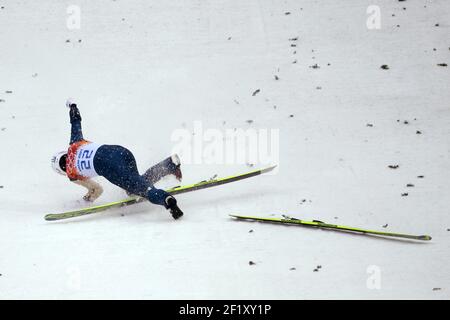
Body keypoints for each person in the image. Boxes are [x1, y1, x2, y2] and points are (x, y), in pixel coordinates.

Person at [51, 99, 183, 219]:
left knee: (141, 190)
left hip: (111, 167)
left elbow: (96, 190)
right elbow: (76, 121)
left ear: (60, 171)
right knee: (136, 184)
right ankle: (168, 165)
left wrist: (85, 201)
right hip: (121, 152)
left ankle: (166, 199)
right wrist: (73, 106)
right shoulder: (75, 143)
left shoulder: (72, 174)